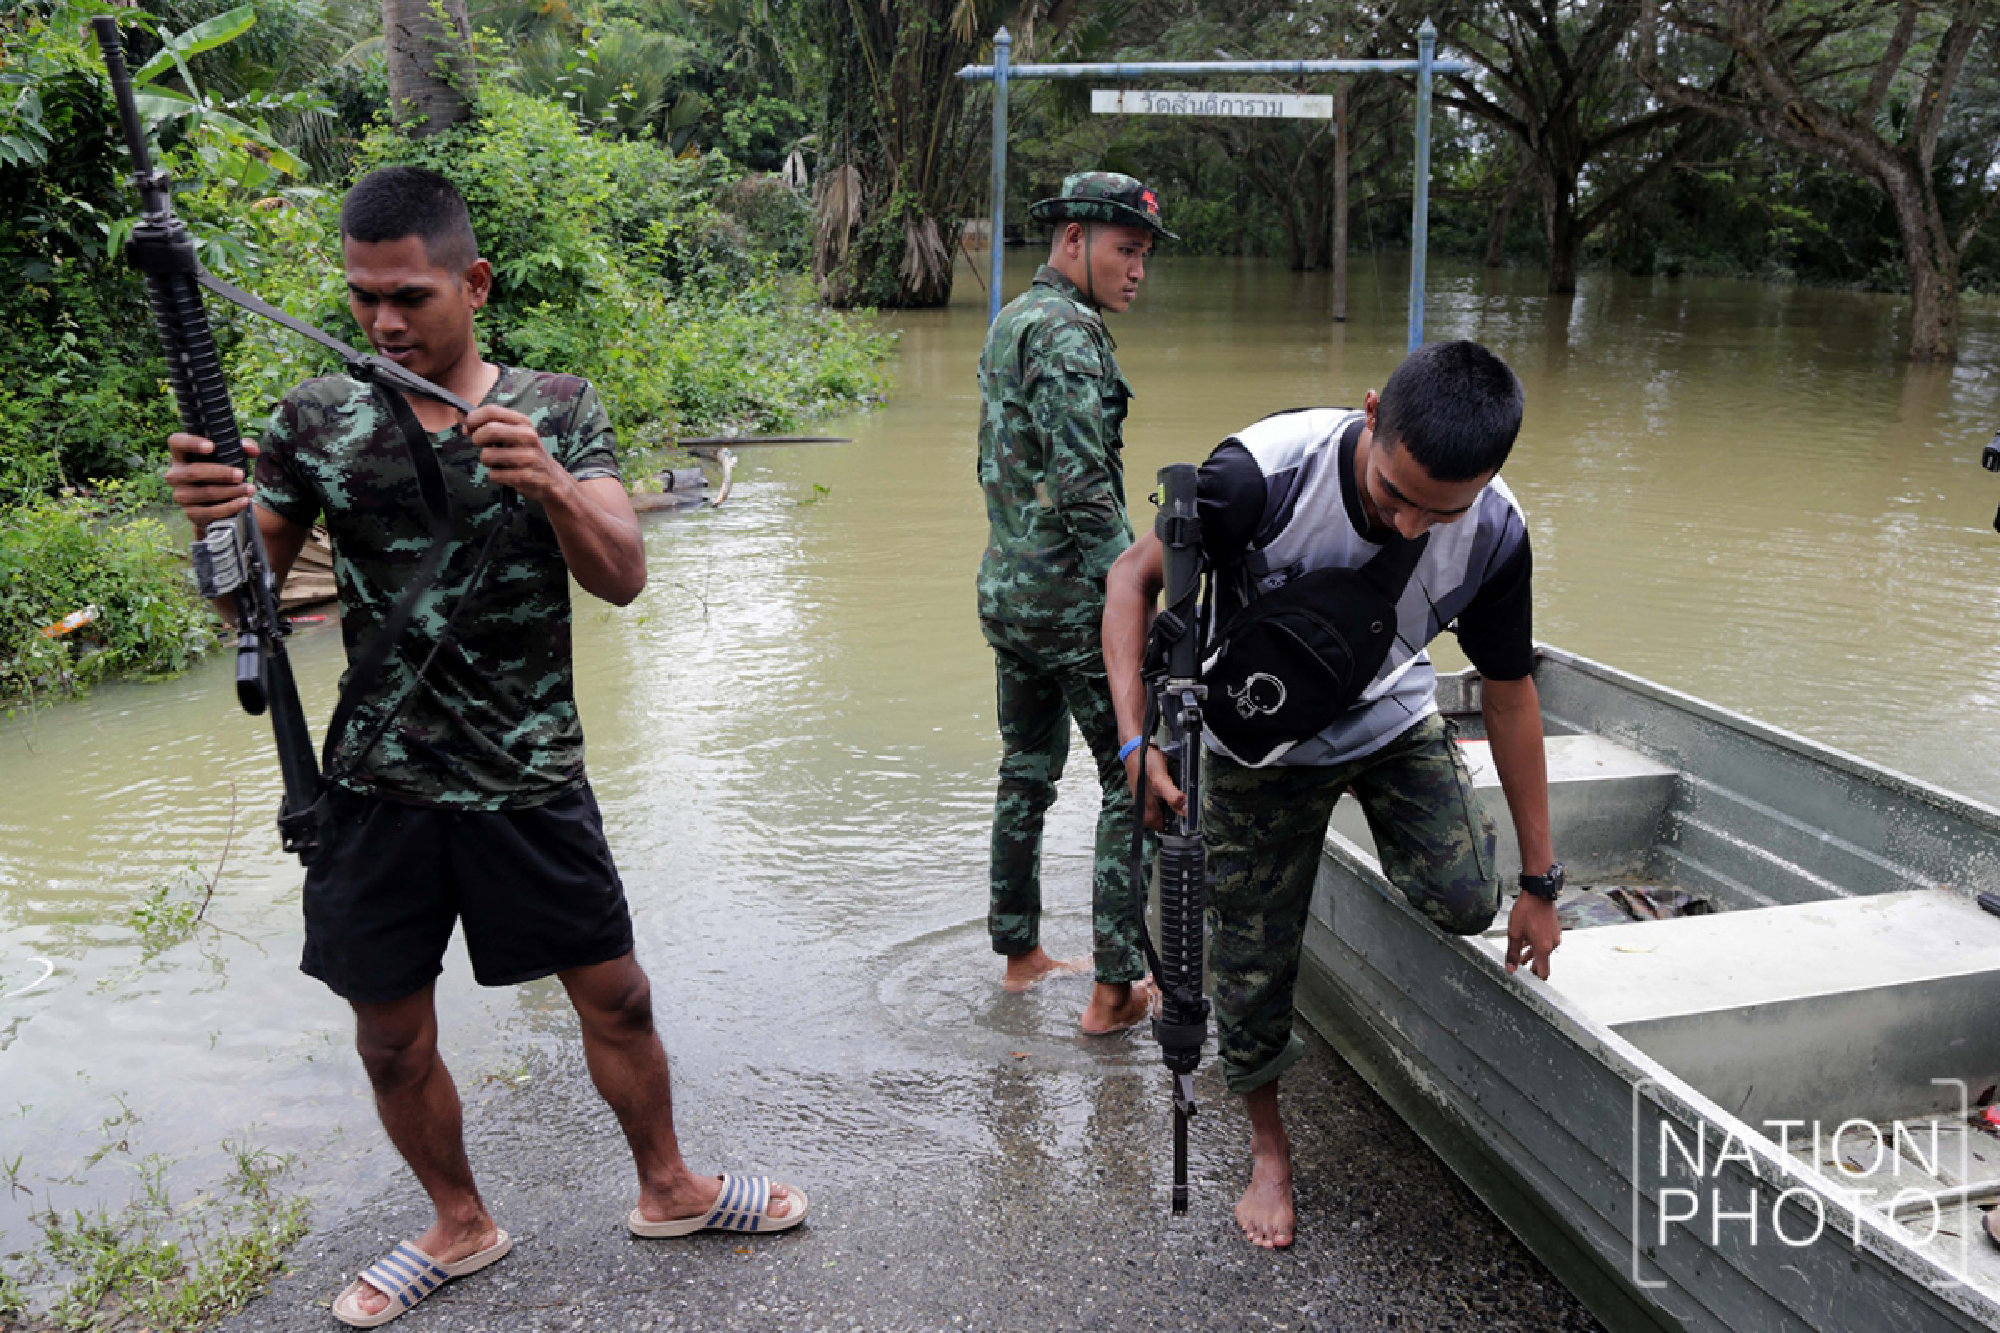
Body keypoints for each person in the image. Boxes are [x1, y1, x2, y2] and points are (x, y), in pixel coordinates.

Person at [164, 166, 805, 1327]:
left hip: (528, 773)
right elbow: (242, 610)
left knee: (615, 998)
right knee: (391, 1036)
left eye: (408, 292)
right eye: (361, 297)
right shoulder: (314, 419)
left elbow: (621, 577)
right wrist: (210, 525)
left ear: (474, 282)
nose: (384, 320)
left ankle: (669, 1186)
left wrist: (553, 484)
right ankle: (458, 1222)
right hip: (374, 785)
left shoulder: (557, 406)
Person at [1102, 340, 1563, 1249]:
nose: (1405, 525)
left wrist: (1541, 885)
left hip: (1388, 720)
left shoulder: (1498, 534)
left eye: (1438, 512)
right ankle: (1269, 1149)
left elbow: (1509, 693)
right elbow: (1131, 578)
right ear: (1369, 414)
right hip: (1256, 747)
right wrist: (1133, 742)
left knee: (1469, 898)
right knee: (1249, 960)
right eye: (1393, 495)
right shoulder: (1260, 478)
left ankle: (1353, 862)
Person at [976, 172, 1174, 1034]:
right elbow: (1085, 487)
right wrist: (1131, 593)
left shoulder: (1014, 319)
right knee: (1131, 776)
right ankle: (1114, 990)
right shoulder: (1065, 334)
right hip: (1070, 600)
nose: (1137, 270)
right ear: (1073, 242)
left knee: (1026, 768)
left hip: (1008, 590)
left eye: (1142, 256)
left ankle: (1020, 955)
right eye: (1125, 250)